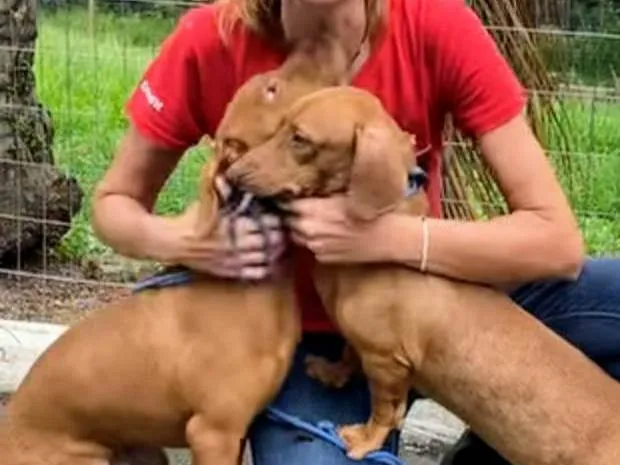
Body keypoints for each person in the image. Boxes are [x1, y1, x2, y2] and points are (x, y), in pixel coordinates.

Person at [91, 0, 620, 462]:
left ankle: (490, 451)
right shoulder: (209, 40)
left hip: (454, 299)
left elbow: (557, 244)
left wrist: (385, 239)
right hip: (312, 340)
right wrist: (189, 242)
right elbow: (114, 206)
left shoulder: (435, 23)